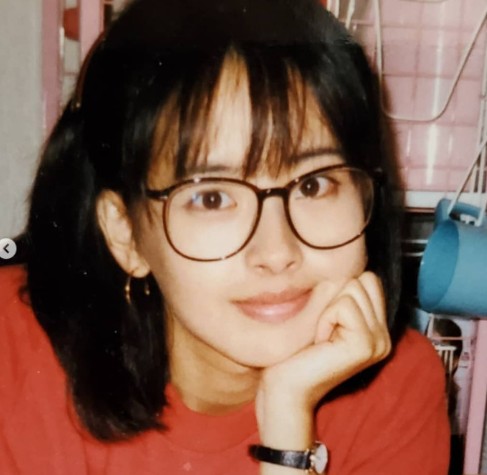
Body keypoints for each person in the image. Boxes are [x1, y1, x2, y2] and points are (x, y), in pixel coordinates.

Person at [0, 0, 450, 474]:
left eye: (314, 185)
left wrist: (288, 431)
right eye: (212, 198)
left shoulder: (399, 390)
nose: (276, 252)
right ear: (126, 233)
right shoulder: (13, 353)